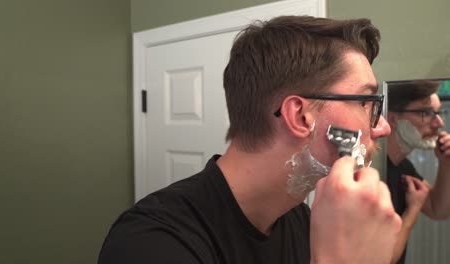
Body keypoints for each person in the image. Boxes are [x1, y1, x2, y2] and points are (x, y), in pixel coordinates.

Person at [98, 15, 402, 264]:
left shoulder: (301, 219)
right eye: (366, 102)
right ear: (300, 116)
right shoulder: (151, 243)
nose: (383, 127)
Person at [386, 80, 450, 264]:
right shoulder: (373, 169)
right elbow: (383, 258)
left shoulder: (404, 167)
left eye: (438, 113)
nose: (439, 123)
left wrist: (446, 163)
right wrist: (413, 209)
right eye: (426, 113)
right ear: (393, 119)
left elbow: (438, 209)